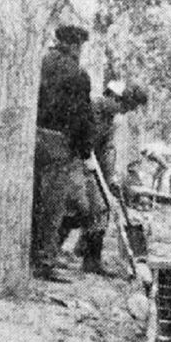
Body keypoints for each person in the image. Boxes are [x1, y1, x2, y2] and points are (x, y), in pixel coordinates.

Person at [63, 80, 148, 274]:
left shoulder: (111, 119)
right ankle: (51, 251)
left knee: (101, 208)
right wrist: (82, 156)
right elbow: (74, 134)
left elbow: (107, 150)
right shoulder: (90, 108)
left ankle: (91, 261)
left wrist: (111, 178)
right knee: (78, 206)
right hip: (72, 161)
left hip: (90, 165)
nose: (123, 111)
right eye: (123, 105)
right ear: (112, 97)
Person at [32, 24, 95, 280]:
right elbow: (83, 116)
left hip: (34, 137)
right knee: (54, 205)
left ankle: (33, 255)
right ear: (73, 45)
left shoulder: (40, 63)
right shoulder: (78, 73)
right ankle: (45, 260)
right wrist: (84, 148)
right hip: (59, 143)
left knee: (35, 201)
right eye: (79, 46)